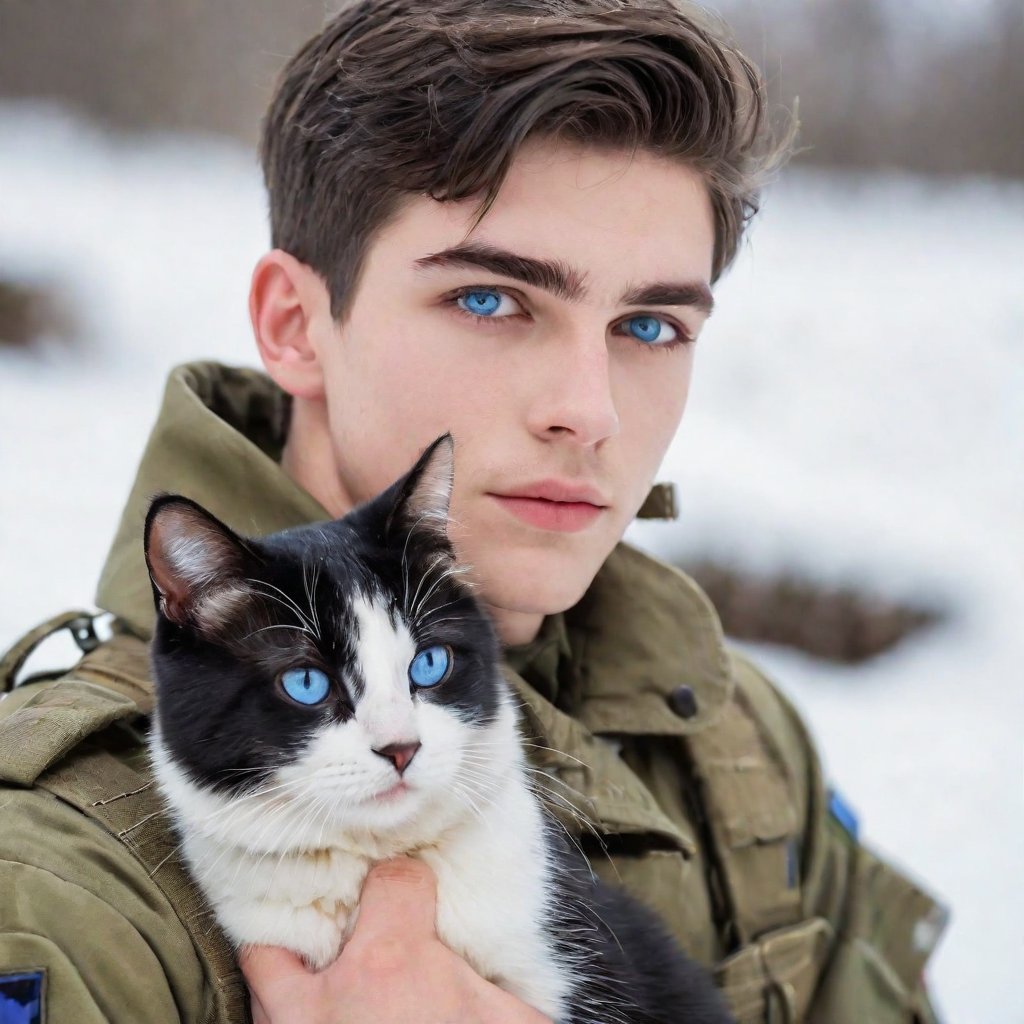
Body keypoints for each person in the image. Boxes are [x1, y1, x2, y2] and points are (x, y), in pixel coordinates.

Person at [0, 1, 947, 1021]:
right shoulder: (64, 881)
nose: (587, 410)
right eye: (492, 301)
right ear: (294, 325)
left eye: (648, 323)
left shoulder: (737, 743)